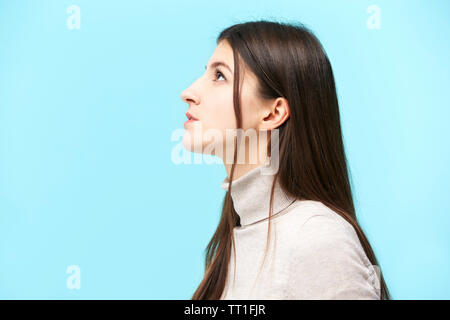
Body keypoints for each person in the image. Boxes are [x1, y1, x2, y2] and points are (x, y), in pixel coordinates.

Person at [180, 20, 390, 300]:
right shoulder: (236, 237)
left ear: (272, 113)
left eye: (220, 76)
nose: (189, 93)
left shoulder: (318, 238)